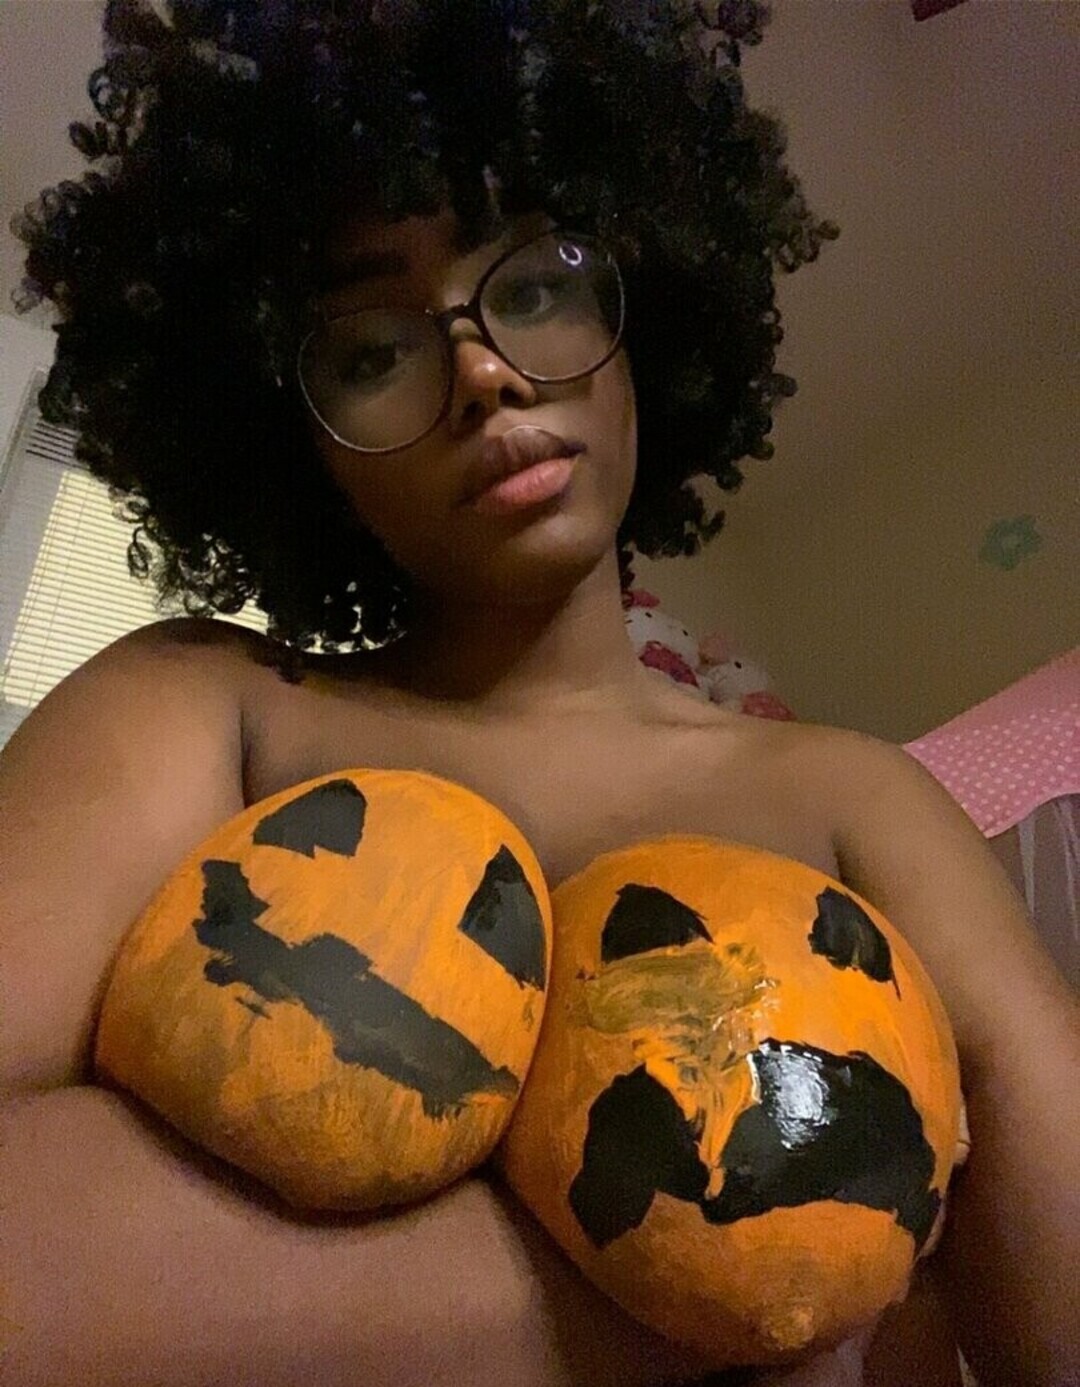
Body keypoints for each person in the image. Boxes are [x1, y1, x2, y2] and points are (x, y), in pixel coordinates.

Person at [1, 3, 1076, 1385]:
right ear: (293, 439)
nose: (480, 371)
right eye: (372, 350)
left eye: (534, 283)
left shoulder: (859, 799)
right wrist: (736, 1260)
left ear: (641, 311)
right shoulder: (204, 708)